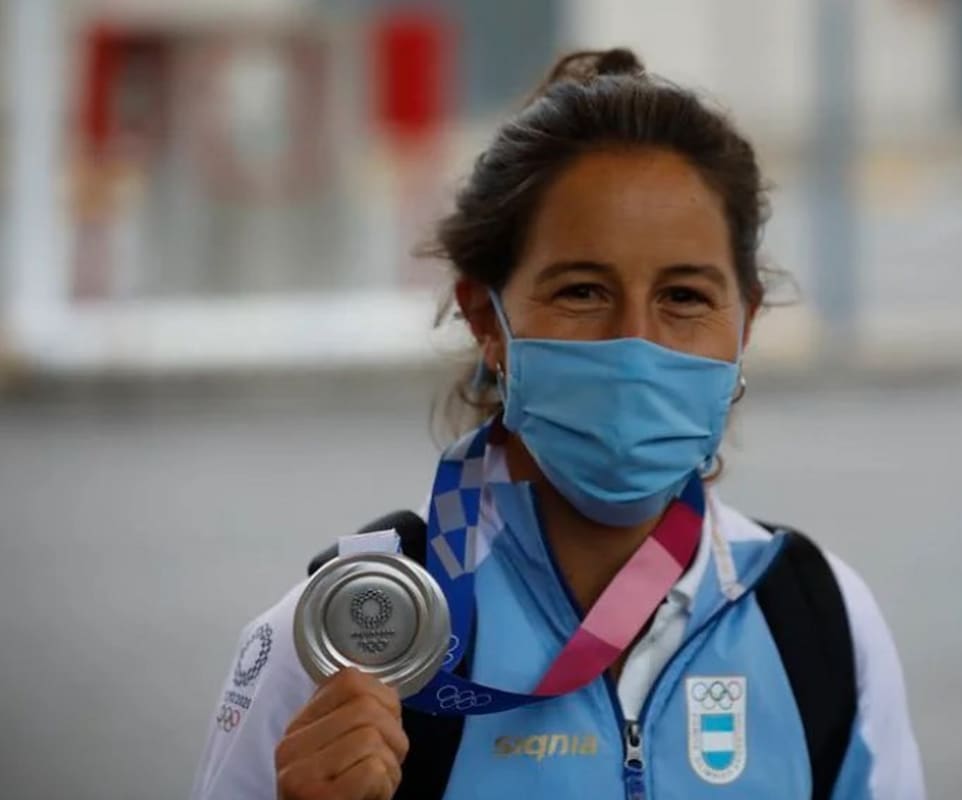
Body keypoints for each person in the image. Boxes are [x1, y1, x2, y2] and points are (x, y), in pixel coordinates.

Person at [189, 48, 925, 800]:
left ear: (746, 324)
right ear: (489, 321)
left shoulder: (821, 621)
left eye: (685, 297)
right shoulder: (349, 640)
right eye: (581, 290)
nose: (635, 344)